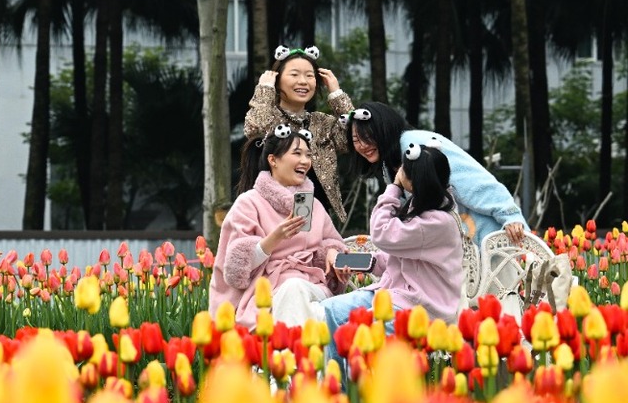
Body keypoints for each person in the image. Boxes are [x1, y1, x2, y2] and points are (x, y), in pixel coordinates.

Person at [320, 143, 463, 361]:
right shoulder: (424, 205)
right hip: (395, 295)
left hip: (421, 306)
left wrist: (394, 187)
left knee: (359, 334)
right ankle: (339, 388)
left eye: (404, 170)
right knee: (331, 310)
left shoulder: (437, 221)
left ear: (416, 181)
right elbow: (400, 255)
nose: (399, 172)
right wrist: (366, 263)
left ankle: (367, 387)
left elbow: (380, 233)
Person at [209, 124, 347, 329]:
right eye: (297, 153)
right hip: (264, 292)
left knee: (297, 290)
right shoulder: (248, 203)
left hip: (311, 286)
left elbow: (332, 241)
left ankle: (289, 357)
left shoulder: (314, 205)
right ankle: (302, 357)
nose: (305, 161)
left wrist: (332, 252)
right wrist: (275, 237)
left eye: (308, 155)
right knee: (298, 296)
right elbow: (236, 270)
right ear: (273, 160)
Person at [344, 101, 527, 246]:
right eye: (356, 140)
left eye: (368, 137)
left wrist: (509, 215)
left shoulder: (417, 145)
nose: (362, 145)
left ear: (384, 131)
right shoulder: (389, 161)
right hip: (460, 248)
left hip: (491, 236)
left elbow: (473, 180)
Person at [243, 45, 355, 225]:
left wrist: (336, 93)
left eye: (309, 76)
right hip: (272, 215)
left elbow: (354, 138)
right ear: (277, 80)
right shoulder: (269, 117)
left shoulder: (322, 122)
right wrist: (264, 89)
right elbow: (254, 129)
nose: (303, 81)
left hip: (319, 217)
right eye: (294, 75)